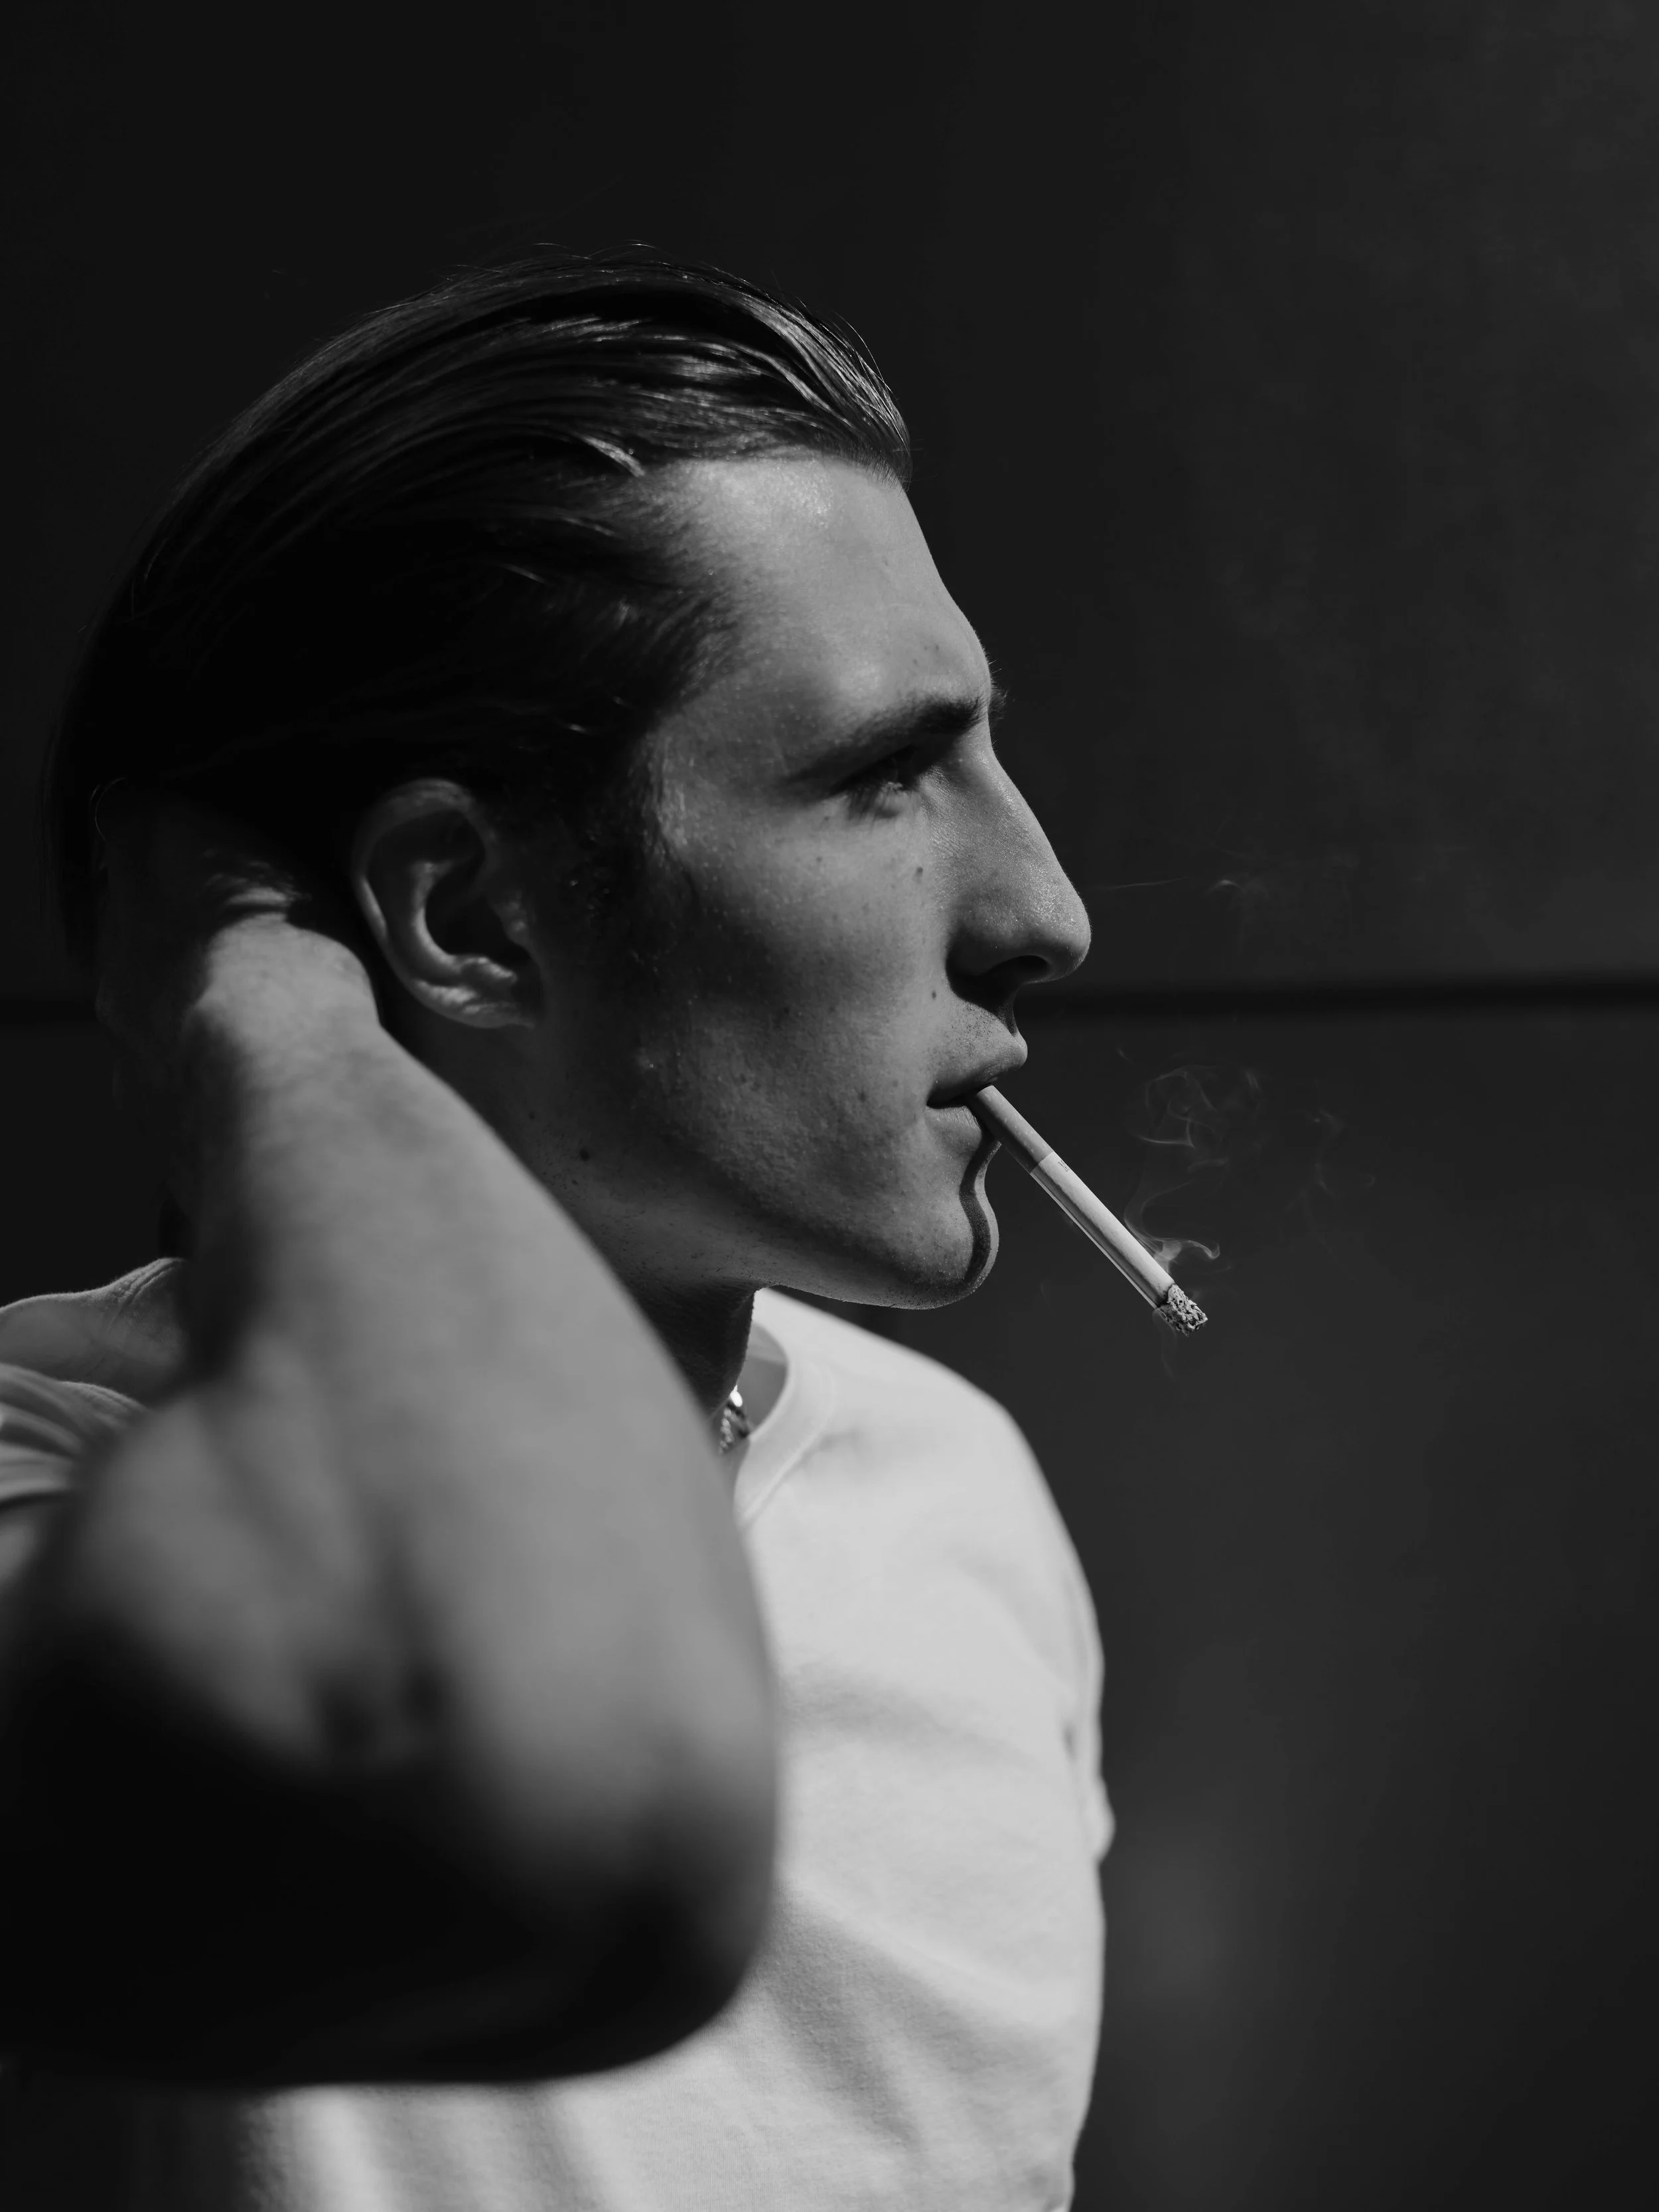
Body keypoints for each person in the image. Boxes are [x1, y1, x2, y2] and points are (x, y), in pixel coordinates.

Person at [0, 251, 1109, 2209]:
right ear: (468, 914)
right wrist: (262, 1003)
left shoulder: (956, 1491)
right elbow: (563, 1793)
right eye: (881, 778)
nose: (1042, 904)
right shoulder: (46, 1505)